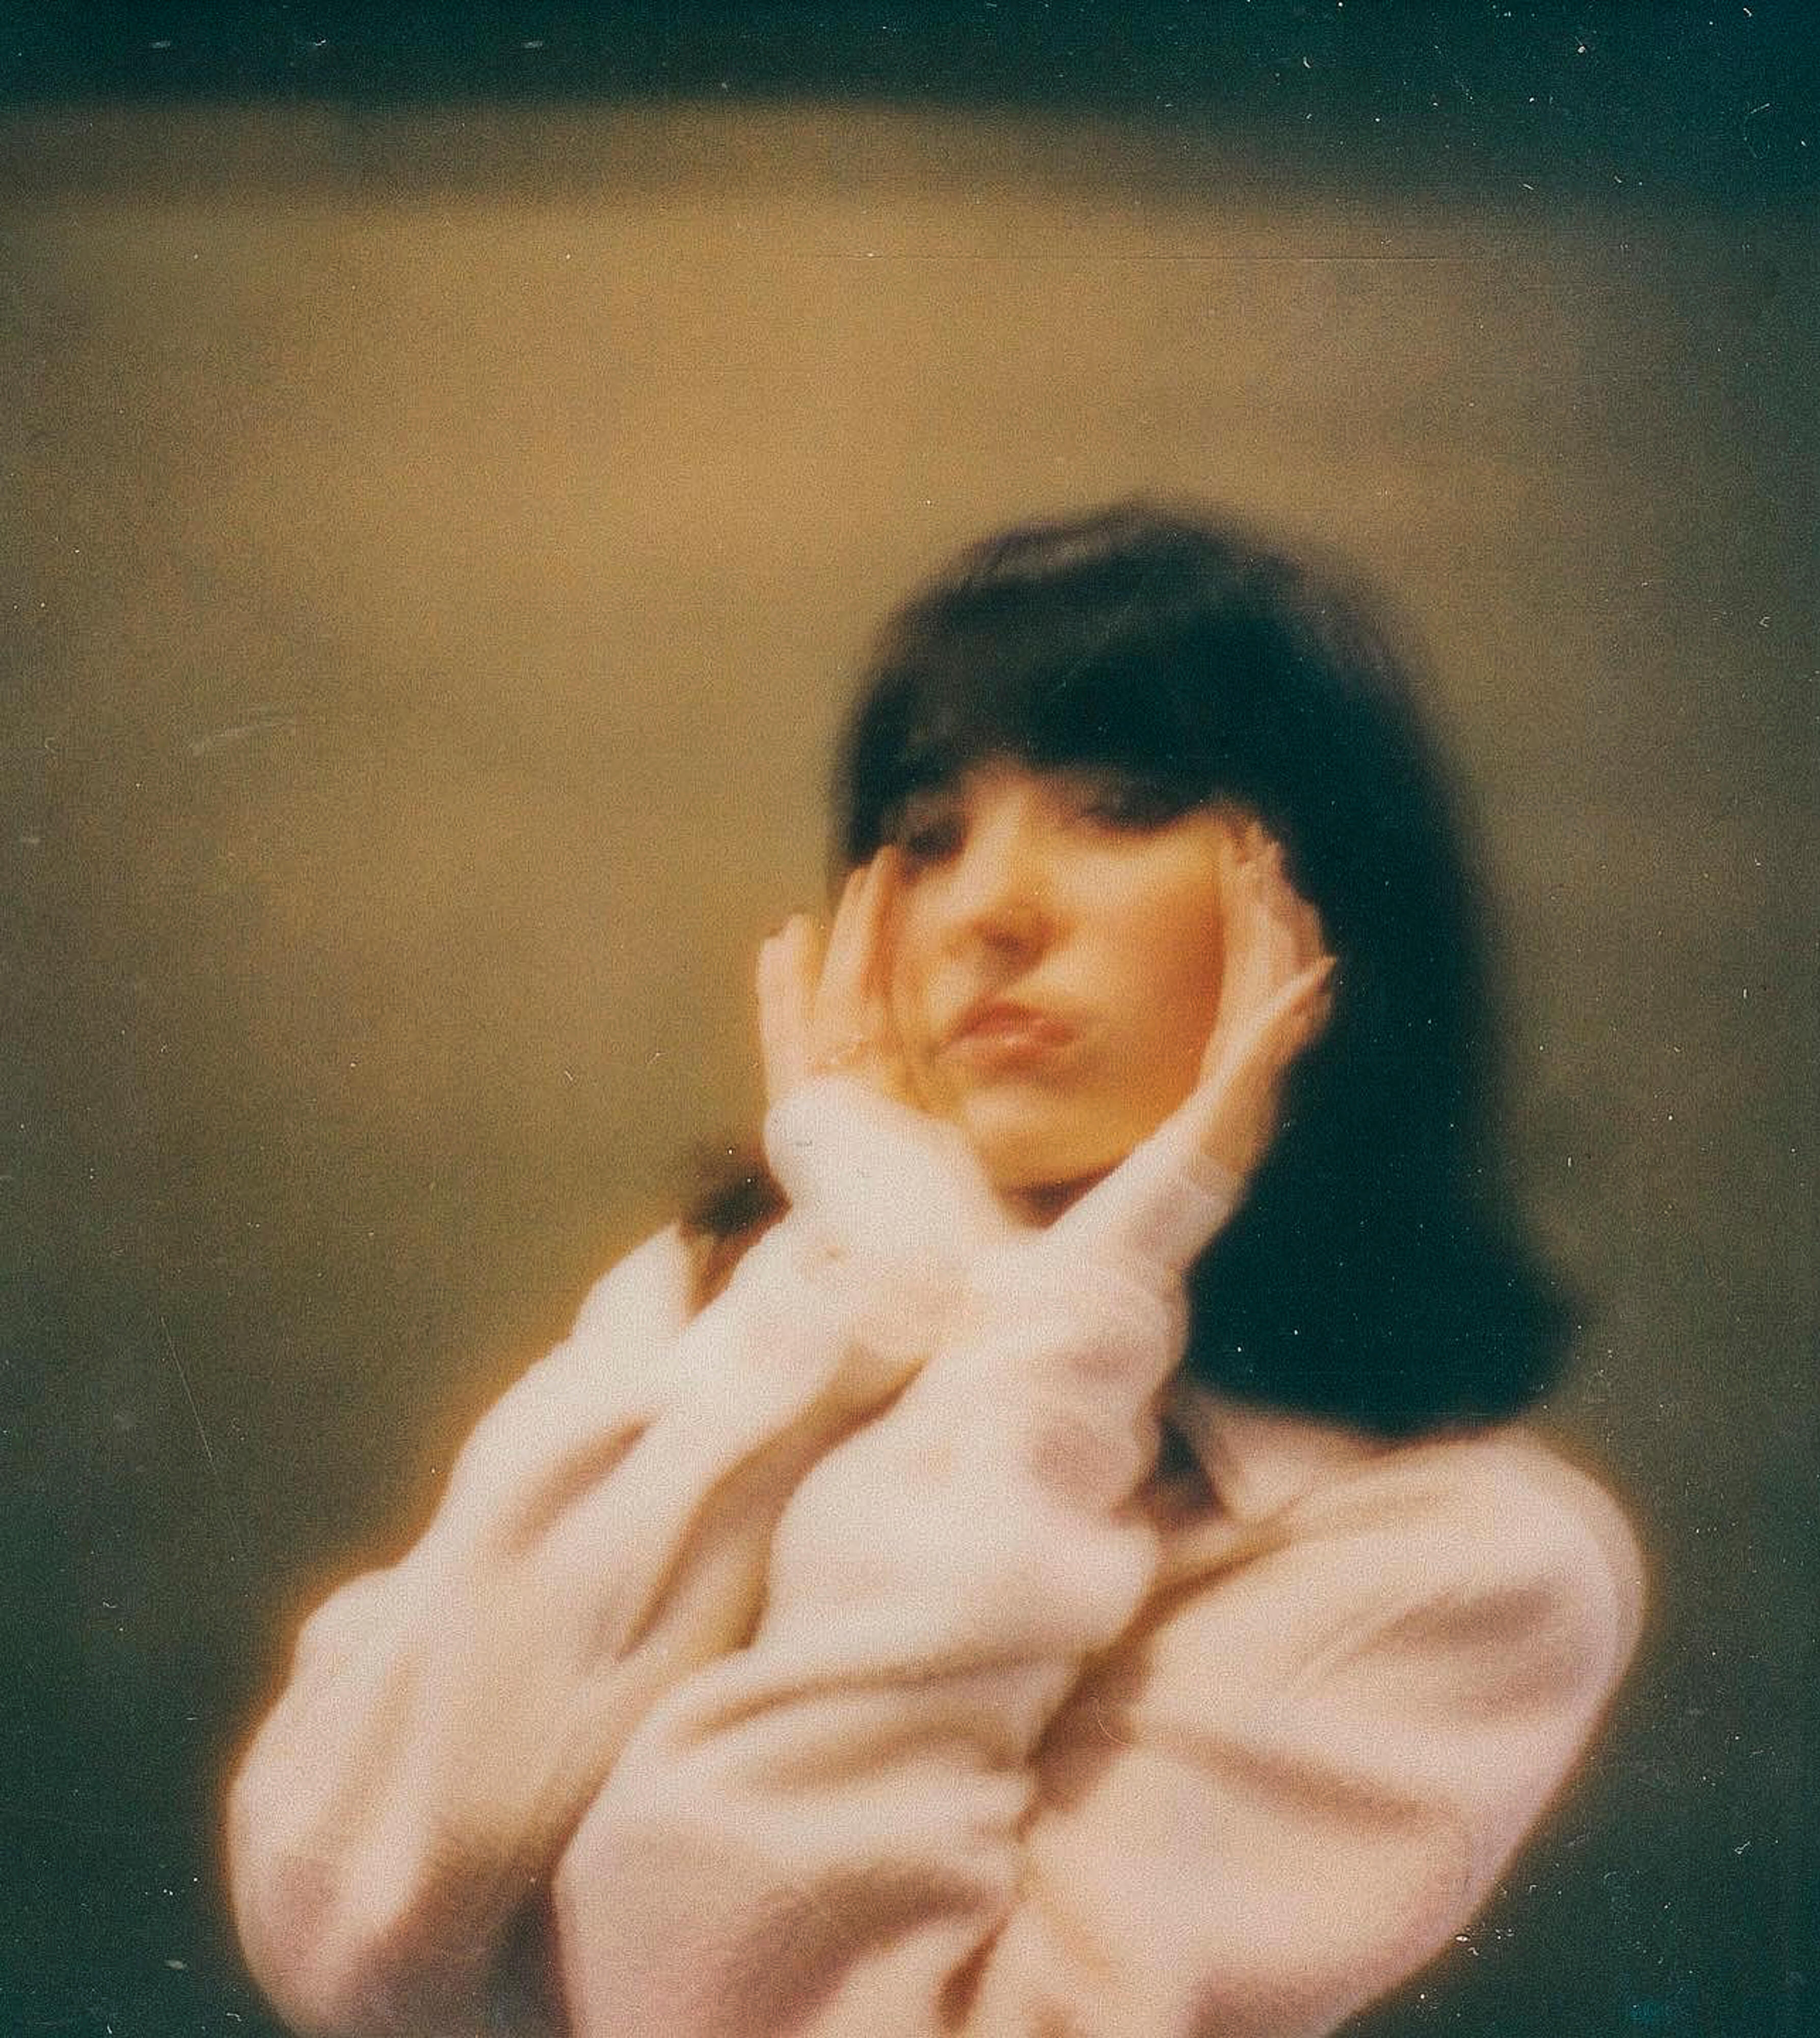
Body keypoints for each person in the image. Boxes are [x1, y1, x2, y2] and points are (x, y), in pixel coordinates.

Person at [226, 501, 1646, 2038]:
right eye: (925, 834)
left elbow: (744, 2005)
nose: (986, 911)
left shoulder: (1464, 1562)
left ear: (1334, 903)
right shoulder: (736, 1310)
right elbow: (342, 1925)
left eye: (1123, 806)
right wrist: (868, 1301)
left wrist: (1051, 1341)